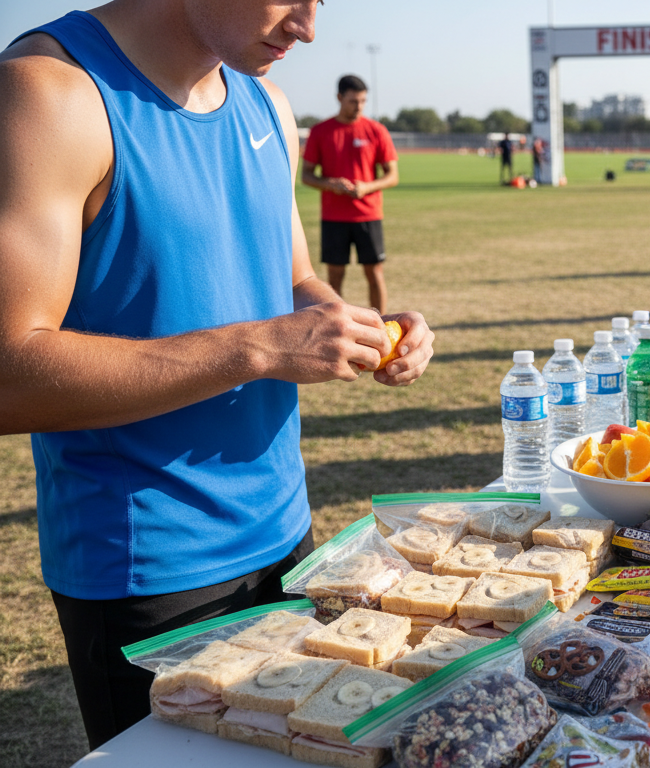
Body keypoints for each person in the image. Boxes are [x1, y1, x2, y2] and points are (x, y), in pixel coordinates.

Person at [0, 0, 434, 749]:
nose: (308, 25)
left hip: (289, 539)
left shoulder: (263, 97)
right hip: (151, 573)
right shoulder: (50, 91)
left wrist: (362, 329)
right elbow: (9, 370)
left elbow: (294, 277)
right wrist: (256, 349)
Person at [302, 74, 399, 315]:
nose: (359, 107)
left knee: (374, 272)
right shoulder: (320, 131)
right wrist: (329, 184)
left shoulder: (376, 130)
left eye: (363, 101)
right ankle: (338, 329)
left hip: (368, 214)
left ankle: (381, 326)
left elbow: (392, 175)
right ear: (339, 98)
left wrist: (367, 187)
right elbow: (306, 176)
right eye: (353, 101)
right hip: (334, 217)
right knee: (334, 277)